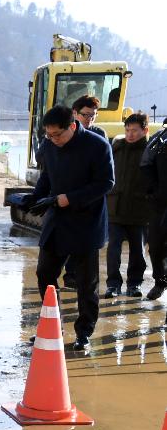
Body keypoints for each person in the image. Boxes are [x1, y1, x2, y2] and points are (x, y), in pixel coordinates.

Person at [21, 105, 114, 352]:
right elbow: (47, 177)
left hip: (86, 222)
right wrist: (35, 198)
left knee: (85, 283)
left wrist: (69, 198)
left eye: (57, 135)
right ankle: (53, 327)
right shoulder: (51, 146)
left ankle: (83, 332)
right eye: (49, 136)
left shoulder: (97, 145)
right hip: (57, 220)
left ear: (72, 126)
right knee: (45, 274)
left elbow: (106, 182)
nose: (53, 140)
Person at [62, 95, 109, 289]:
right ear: (75, 113)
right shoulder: (64, 133)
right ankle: (69, 274)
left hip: (91, 197)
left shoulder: (99, 136)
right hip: (67, 196)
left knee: (87, 242)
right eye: (86, 115)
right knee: (68, 238)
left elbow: (106, 172)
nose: (90, 119)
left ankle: (80, 278)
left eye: (93, 115)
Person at [104, 113, 150, 298]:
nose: (130, 134)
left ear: (145, 130)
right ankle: (113, 284)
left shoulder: (150, 150)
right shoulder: (117, 148)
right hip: (115, 207)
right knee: (113, 249)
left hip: (140, 210)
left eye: (135, 131)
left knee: (137, 251)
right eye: (127, 130)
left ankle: (134, 284)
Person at [141, 121, 167, 300]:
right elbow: (145, 165)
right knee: (156, 245)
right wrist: (154, 192)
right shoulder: (159, 139)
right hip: (160, 203)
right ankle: (160, 281)